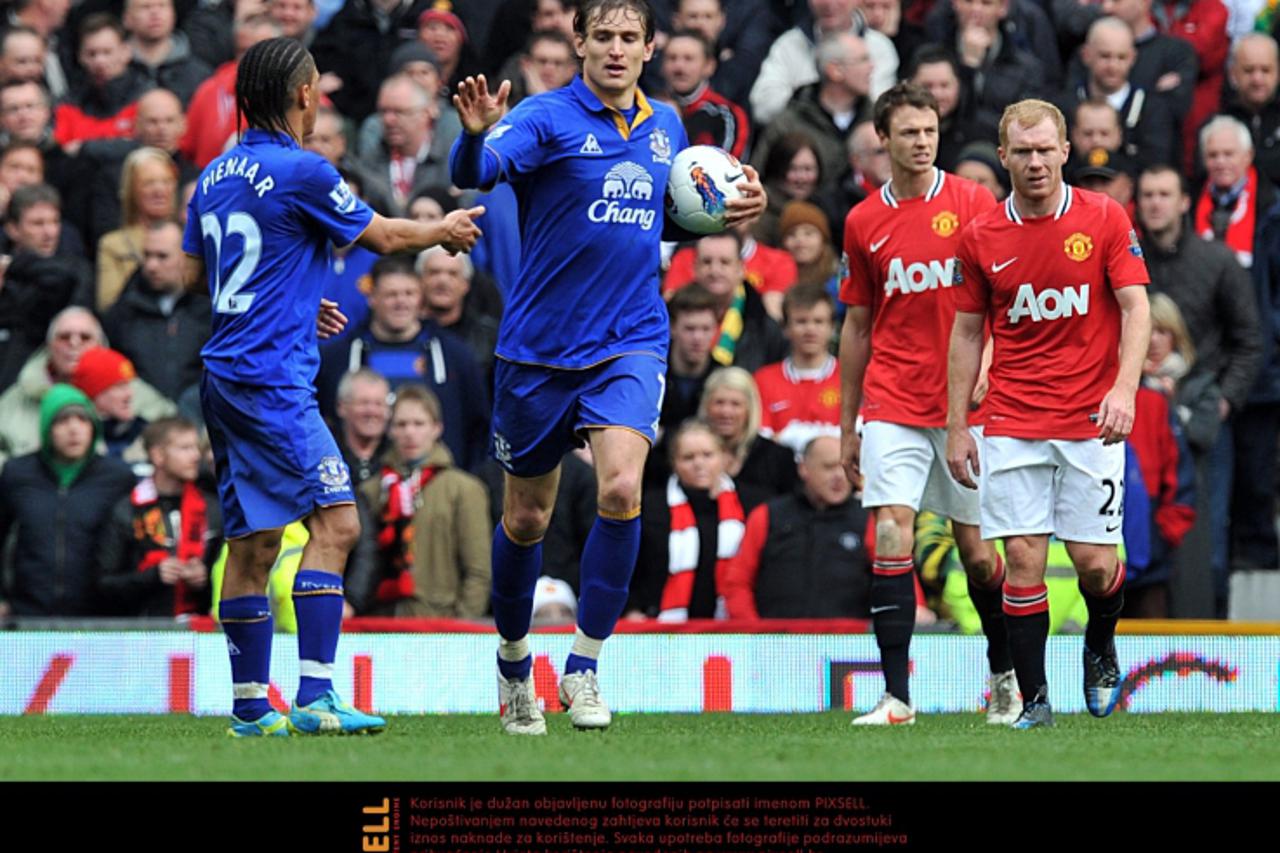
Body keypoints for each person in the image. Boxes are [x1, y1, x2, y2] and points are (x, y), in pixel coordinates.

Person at [449, 0, 764, 734]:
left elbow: (664, 215)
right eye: (604, 37)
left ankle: (585, 665)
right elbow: (480, 170)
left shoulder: (667, 127)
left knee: (622, 488)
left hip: (629, 337)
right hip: (536, 349)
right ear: (580, 43)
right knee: (526, 516)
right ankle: (513, 659)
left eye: (630, 37)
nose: (617, 49)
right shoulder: (544, 117)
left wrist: (729, 208)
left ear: (651, 46)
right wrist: (469, 140)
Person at [182, 36, 483, 737]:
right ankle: (316, 695)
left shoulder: (215, 175)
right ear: (300, 95)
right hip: (270, 381)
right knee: (339, 522)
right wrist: (440, 228)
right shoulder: (305, 171)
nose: (320, 100)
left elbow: (208, 279)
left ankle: (252, 707)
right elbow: (379, 236)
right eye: (315, 87)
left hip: (224, 376)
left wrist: (284, 297)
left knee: (252, 542)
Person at [947, 98, 1151, 728]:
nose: (1035, 163)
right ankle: (1036, 702)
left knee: (1095, 566)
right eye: (1022, 152)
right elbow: (965, 332)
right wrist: (958, 424)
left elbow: (1137, 308)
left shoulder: (1105, 217)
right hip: (1011, 420)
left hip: (1092, 421)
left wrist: (1124, 389)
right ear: (1003, 156)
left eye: (1045, 150)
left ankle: (1100, 642)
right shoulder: (981, 235)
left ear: (1065, 152)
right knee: (1024, 559)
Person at [841, 82, 1015, 727]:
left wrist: (989, 366)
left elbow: (1005, 296)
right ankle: (896, 697)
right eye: (908, 132)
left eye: (929, 129)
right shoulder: (863, 221)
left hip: (964, 409)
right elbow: (857, 327)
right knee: (892, 529)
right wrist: (845, 425)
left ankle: (1003, 676)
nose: (921, 141)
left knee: (976, 552)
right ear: (882, 139)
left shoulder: (972, 202)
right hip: (891, 401)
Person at [351, 384, 491, 618]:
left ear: (437, 428)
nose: (410, 433)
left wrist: (463, 626)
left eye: (419, 424)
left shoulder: (464, 489)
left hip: (441, 623)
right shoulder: (371, 490)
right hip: (380, 623)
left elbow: (478, 572)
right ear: (390, 430)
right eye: (401, 424)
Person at [0, 383, 135, 616]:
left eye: (83, 421)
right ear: (46, 429)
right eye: (62, 421)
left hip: (100, 617)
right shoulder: (17, 473)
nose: (74, 430)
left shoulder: (118, 477)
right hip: (28, 613)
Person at [722, 434, 873, 618]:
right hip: (776, 642)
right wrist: (754, 635)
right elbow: (737, 582)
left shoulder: (868, 519)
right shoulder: (767, 515)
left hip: (849, 643)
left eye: (847, 468)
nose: (840, 476)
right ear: (804, 468)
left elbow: (893, 577)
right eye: (829, 467)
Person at [96, 416, 220, 617]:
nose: (196, 456)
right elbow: (104, 585)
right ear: (158, 456)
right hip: (141, 634)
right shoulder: (127, 510)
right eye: (185, 448)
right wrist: (153, 576)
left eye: (196, 448)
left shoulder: (212, 510)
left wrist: (204, 579)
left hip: (197, 633)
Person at [103, 219, 212, 403]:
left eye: (162, 256)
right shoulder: (124, 312)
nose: (151, 266)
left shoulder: (210, 310)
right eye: (147, 255)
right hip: (142, 421)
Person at [755, 283, 841, 455]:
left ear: (832, 328)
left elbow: (856, 436)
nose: (810, 329)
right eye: (801, 321)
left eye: (819, 321)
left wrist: (788, 436)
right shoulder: (763, 379)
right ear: (785, 328)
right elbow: (762, 441)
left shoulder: (851, 378)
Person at [97, 146, 178, 311]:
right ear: (131, 190)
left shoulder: (192, 239)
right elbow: (108, 306)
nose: (159, 190)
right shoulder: (113, 245)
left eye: (166, 181)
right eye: (149, 183)